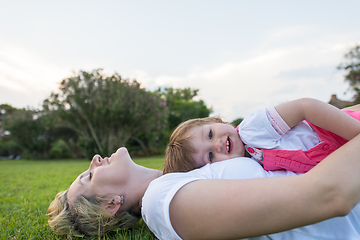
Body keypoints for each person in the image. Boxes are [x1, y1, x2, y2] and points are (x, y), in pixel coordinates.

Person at [48, 115, 360, 239]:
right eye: (88, 176)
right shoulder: (162, 203)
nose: (94, 161)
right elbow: (329, 194)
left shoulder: (189, 169)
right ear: (111, 205)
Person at [164, 98, 360, 174]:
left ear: (217, 122)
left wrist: (356, 134)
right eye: (210, 156)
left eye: (210, 134)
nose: (217, 145)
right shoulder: (251, 165)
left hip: (345, 132)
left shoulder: (251, 131)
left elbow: (306, 107)